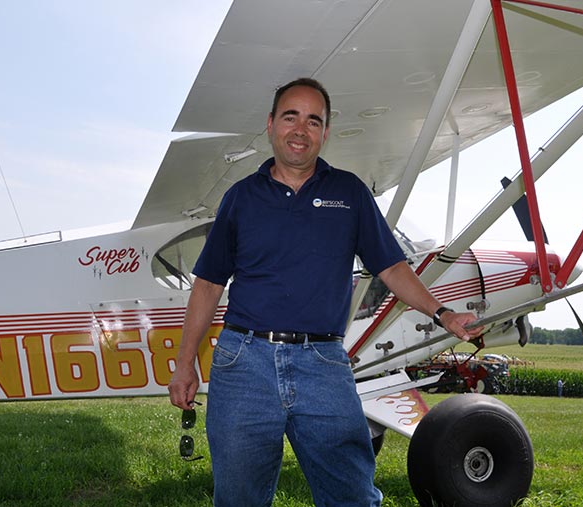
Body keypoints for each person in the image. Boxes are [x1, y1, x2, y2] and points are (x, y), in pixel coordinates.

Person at [168, 77, 481, 507]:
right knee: (238, 498)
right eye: (290, 116)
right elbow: (207, 286)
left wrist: (443, 313)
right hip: (243, 365)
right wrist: (185, 364)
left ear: (325, 132)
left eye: (313, 121)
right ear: (271, 124)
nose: (301, 129)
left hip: (322, 363)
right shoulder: (240, 198)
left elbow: (391, 267)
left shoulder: (349, 193)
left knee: (351, 496)